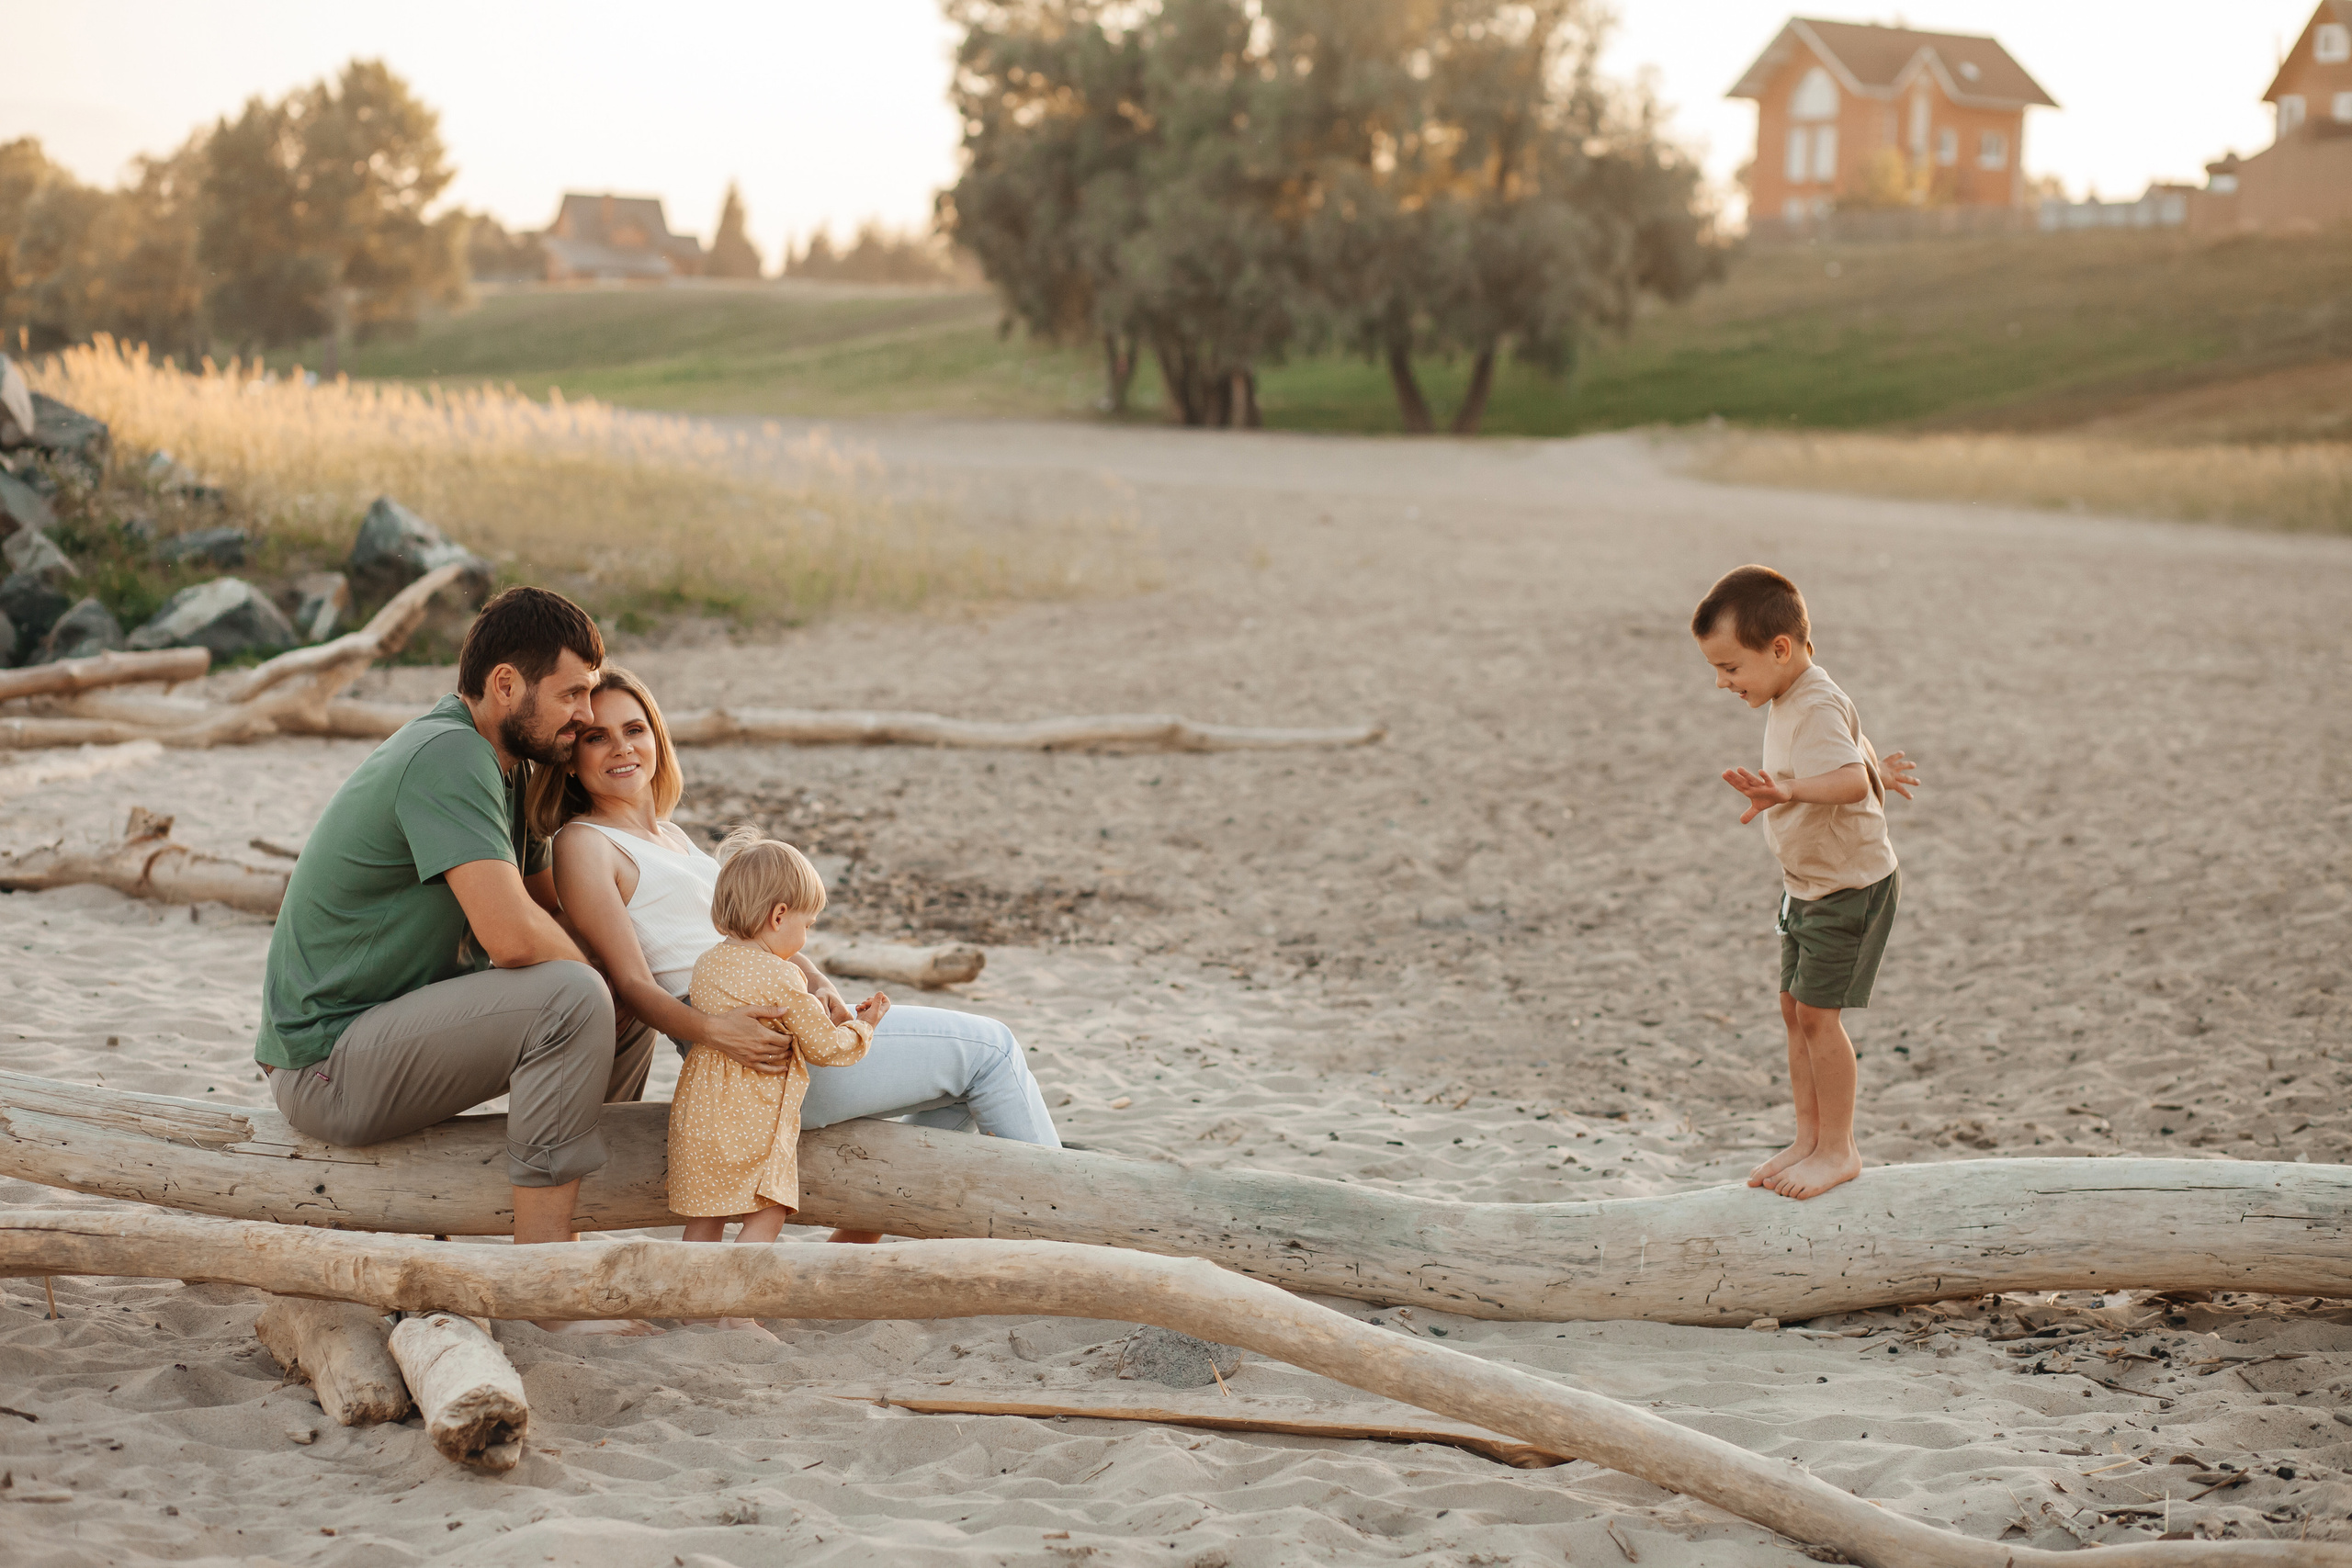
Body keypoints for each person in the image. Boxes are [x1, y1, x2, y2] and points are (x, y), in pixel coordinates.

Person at [536, 667, 1061, 1246]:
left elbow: (747, 935)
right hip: (755, 1057)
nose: (621, 748)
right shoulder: (583, 843)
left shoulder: (673, 836)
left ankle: (854, 1247)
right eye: (597, 737)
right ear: (571, 757)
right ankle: (1067, 1223)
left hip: (788, 1025)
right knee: (992, 1051)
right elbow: (633, 981)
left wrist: (817, 980)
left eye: (634, 729)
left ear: (657, 737)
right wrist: (713, 1031)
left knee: (958, 1079)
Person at [253, 587, 660, 1333]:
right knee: (578, 994)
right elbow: (513, 936)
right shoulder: (450, 754)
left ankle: (573, 1229)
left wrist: (642, 979)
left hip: (389, 1030)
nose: (584, 714)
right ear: (506, 684)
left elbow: (558, 910)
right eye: (571, 693)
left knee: (621, 993)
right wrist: (604, 980)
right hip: (327, 1061)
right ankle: (543, 1281)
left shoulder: (508, 770)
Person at [1691, 565, 1919, 1201]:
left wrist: (1795, 787)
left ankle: (1839, 1148)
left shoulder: (1812, 700)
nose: (1722, 682)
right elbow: (1850, 741)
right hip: (1809, 885)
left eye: (1731, 667)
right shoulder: (1800, 691)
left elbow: (1843, 777)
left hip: (1848, 886)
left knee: (1820, 1017)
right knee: (1794, 1010)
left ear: (1780, 648)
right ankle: (1808, 1137)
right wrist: (1877, 762)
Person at [669, 830, 888, 1331]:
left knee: (705, 1215)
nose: (806, 937)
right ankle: (736, 1312)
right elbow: (826, 1049)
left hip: (700, 1113)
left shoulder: (707, 964)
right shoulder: (783, 977)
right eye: (808, 924)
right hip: (751, 1120)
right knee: (767, 1211)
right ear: (779, 916)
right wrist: (863, 1026)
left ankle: (686, 1308)